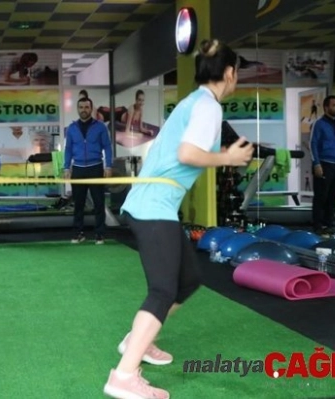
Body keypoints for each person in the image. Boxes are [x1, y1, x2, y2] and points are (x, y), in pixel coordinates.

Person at [104, 39, 253, 399]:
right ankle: (123, 377)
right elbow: (188, 153)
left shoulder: (196, 102)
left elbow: (185, 150)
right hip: (152, 207)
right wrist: (227, 159)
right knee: (163, 290)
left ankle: (137, 340)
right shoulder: (207, 106)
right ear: (230, 74)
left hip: (157, 206)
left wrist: (220, 154)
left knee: (187, 280)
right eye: (236, 74)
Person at [63, 97, 113, 245]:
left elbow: (107, 147)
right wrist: (66, 167)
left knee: (99, 203)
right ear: (77, 109)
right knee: (79, 204)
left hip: (96, 167)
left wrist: (108, 166)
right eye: (81, 107)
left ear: (91, 109)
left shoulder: (100, 127)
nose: (83, 110)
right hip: (78, 169)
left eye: (86, 107)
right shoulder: (72, 128)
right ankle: (78, 233)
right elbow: (68, 149)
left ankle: (100, 234)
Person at [310, 95, 335, 236]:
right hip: (323, 164)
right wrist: (316, 163)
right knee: (321, 197)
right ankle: (318, 226)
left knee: (333, 197)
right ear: (326, 107)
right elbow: (313, 144)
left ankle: (328, 225)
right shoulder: (319, 124)